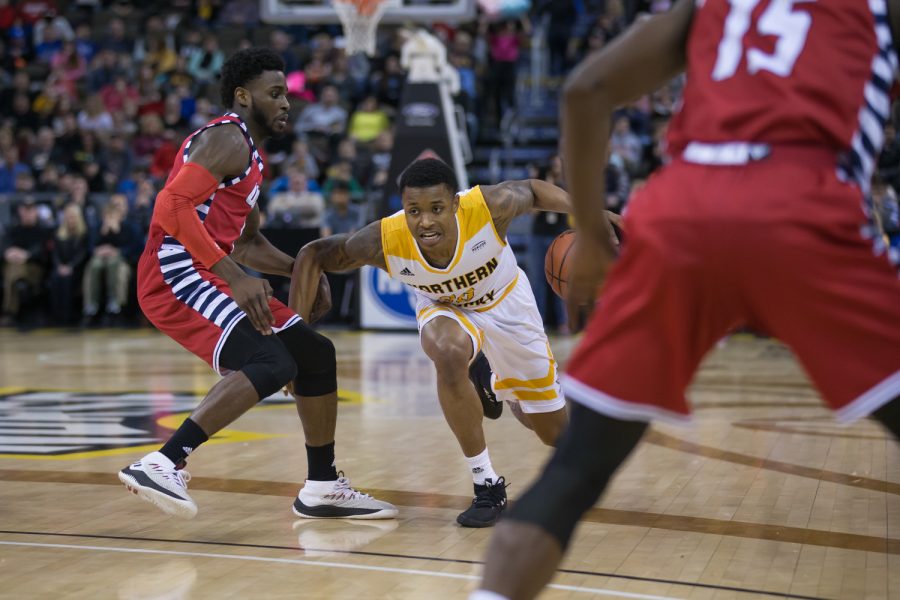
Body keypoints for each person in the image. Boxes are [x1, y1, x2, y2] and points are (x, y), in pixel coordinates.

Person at [472, 1, 900, 598]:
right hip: (803, 200)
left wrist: (594, 237)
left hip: (680, 212)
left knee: (574, 470)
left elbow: (586, 87)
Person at [117, 48, 396, 521]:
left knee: (314, 355)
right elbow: (169, 208)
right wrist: (234, 277)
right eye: (275, 93)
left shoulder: (249, 156)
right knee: (271, 360)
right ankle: (162, 461)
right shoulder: (228, 137)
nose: (286, 102)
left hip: (206, 270)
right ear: (244, 97)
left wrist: (300, 268)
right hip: (173, 274)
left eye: (287, 93)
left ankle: (322, 485)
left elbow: (246, 243)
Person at [292, 158, 595, 527]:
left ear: (454, 203)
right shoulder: (384, 240)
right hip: (444, 308)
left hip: (506, 303)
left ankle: (498, 386)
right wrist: (295, 338)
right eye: (413, 211)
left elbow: (532, 190)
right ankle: (486, 483)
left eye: (436, 209)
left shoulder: (486, 207)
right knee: (448, 353)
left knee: (551, 432)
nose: (425, 222)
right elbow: (312, 254)